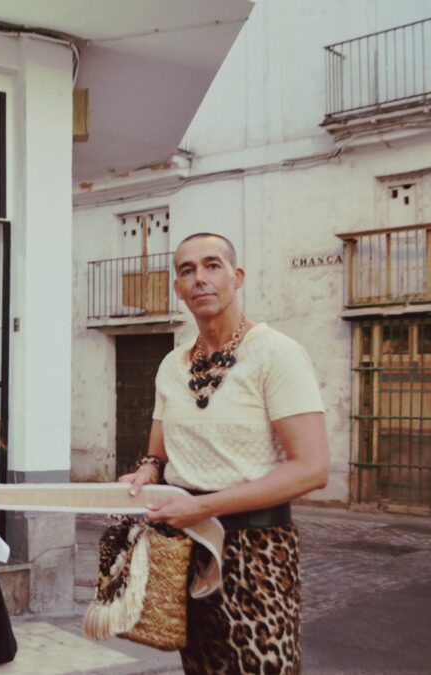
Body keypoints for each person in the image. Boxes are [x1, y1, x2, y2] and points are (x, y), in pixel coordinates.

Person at [120, 232, 329, 674]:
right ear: (178, 288)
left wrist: (203, 506)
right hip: (185, 550)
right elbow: (156, 456)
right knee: (199, 666)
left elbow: (312, 468)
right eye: (187, 270)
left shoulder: (276, 354)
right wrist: (144, 474)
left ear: (236, 277)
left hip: (257, 552)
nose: (200, 278)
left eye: (212, 265)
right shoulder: (171, 366)